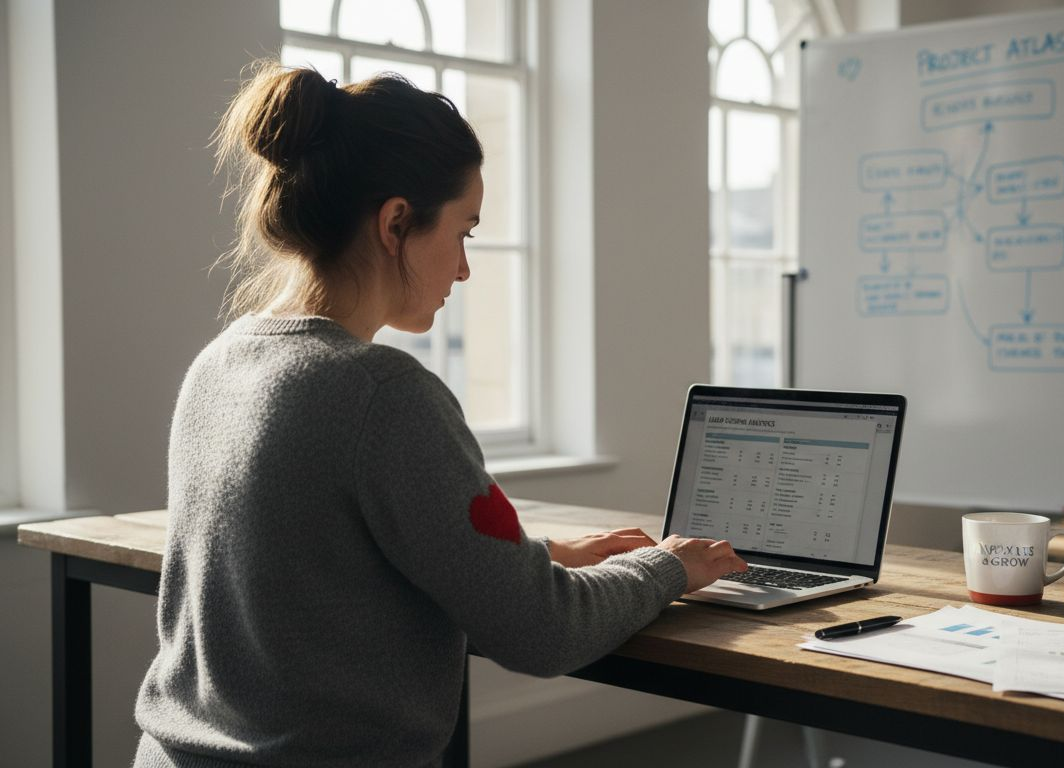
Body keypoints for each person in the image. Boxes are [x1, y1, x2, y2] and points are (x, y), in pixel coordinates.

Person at [132, 61, 748, 768]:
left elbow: (328, 568)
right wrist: (667, 567)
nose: (463, 269)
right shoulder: (380, 392)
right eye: (464, 233)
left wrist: (538, 558)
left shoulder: (220, 363)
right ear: (396, 222)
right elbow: (543, 631)